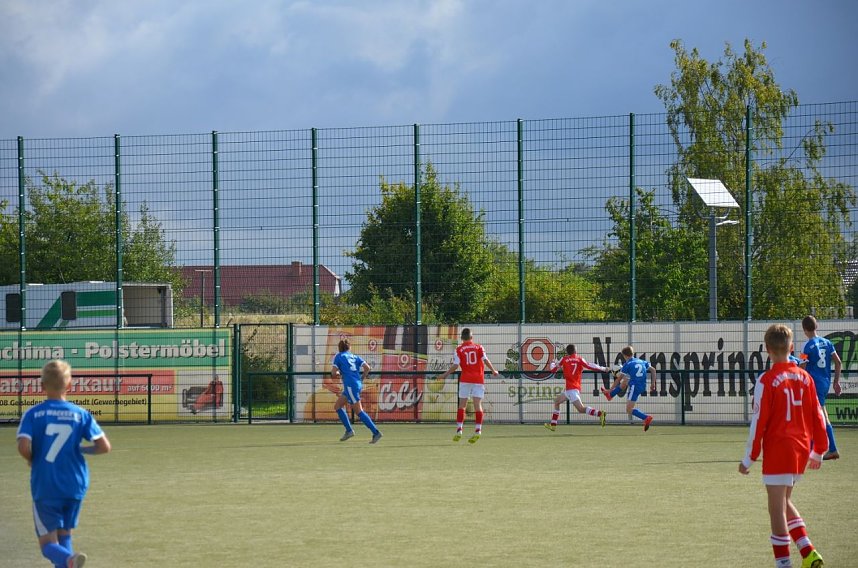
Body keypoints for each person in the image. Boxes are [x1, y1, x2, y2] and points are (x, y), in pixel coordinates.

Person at [739, 324, 828, 568]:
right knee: (784, 501)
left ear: (767, 349)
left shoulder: (766, 381)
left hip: (779, 449)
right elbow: (817, 414)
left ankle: (783, 563)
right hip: (800, 449)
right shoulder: (805, 377)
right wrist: (819, 448)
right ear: (791, 348)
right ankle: (808, 551)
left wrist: (749, 457)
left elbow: (759, 422)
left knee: (776, 509)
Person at [16, 360, 111, 568]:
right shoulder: (81, 414)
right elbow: (104, 446)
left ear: (41, 386)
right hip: (75, 484)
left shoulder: (33, 414)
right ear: (69, 385)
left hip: (46, 484)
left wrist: (33, 459)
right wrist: (82, 449)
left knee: (47, 544)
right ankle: (70, 561)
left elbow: (23, 446)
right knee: (65, 534)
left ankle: (68, 559)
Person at [438, 328, 499, 443]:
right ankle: (478, 430)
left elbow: (456, 365)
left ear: (461, 338)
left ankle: (459, 430)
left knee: (462, 405)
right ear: (472, 337)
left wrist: (445, 374)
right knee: (477, 405)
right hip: (478, 379)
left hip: (465, 379)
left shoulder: (459, 349)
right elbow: (485, 360)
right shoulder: (479, 347)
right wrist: (493, 370)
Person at [800, 315, 842, 460]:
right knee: (816, 415)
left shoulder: (806, 346)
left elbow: (803, 367)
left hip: (813, 385)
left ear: (804, 329)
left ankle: (831, 449)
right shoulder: (827, 342)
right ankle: (815, 449)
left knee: (820, 416)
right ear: (816, 326)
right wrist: (836, 382)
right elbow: (838, 362)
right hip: (825, 383)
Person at [544, 344, 608, 430]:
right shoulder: (579, 359)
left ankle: (600, 414)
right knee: (557, 402)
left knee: (581, 409)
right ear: (575, 351)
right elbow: (590, 365)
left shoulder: (564, 359)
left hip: (571, 389)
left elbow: (553, 370)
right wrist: (603, 368)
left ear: (567, 352)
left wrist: (552, 363)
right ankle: (553, 425)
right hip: (572, 389)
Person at [331, 338, 382, 444]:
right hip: (356, 384)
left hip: (350, 385)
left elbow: (333, 373)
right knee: (337, 406)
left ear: (339, 348)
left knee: (359, 411)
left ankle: (375, 432)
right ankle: (349, 431)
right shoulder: (354, 356)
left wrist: (339, 373)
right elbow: (367, 368)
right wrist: (362, 378)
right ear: (349, 347)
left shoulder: (339, 356)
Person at [600, 345, 657, 431]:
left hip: (635, 387)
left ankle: (646, 417)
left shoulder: (627, 364)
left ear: (625, 356)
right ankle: (610, 395)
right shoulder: (642, 361)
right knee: (625, 381)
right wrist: (653, 384)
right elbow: (653, 370)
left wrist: (609, 389)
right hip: (642, 385)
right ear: (632, 353)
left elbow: (618, 379)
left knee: (629, 409)